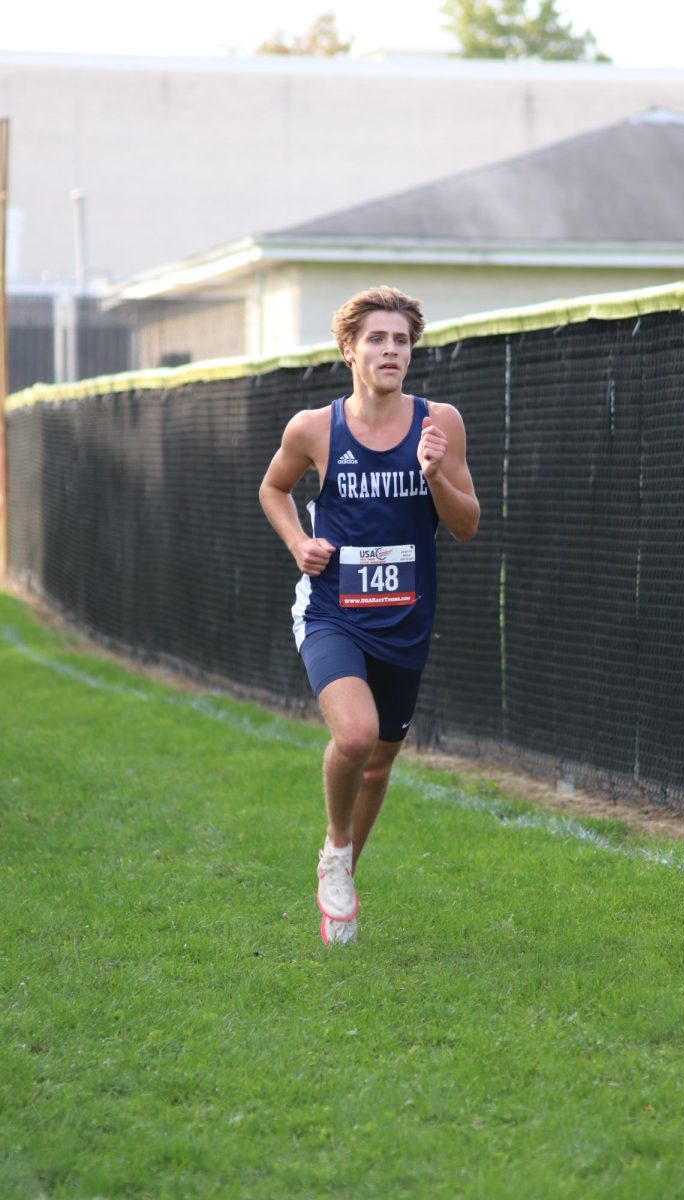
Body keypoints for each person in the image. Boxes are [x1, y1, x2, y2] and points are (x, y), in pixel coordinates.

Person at [259, 285, 479, 945]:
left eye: (402, 340)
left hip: (407, 620)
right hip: (333, 614)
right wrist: (300, 542)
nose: (391, 350)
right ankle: (334, 850)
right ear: (349, 349)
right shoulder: (314, 429)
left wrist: (436, 474)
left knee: (380, 763)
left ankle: (345, 874)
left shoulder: (440, 422)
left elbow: (467, 525)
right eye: (378, 339)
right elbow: (273, 489)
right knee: (355, 737)